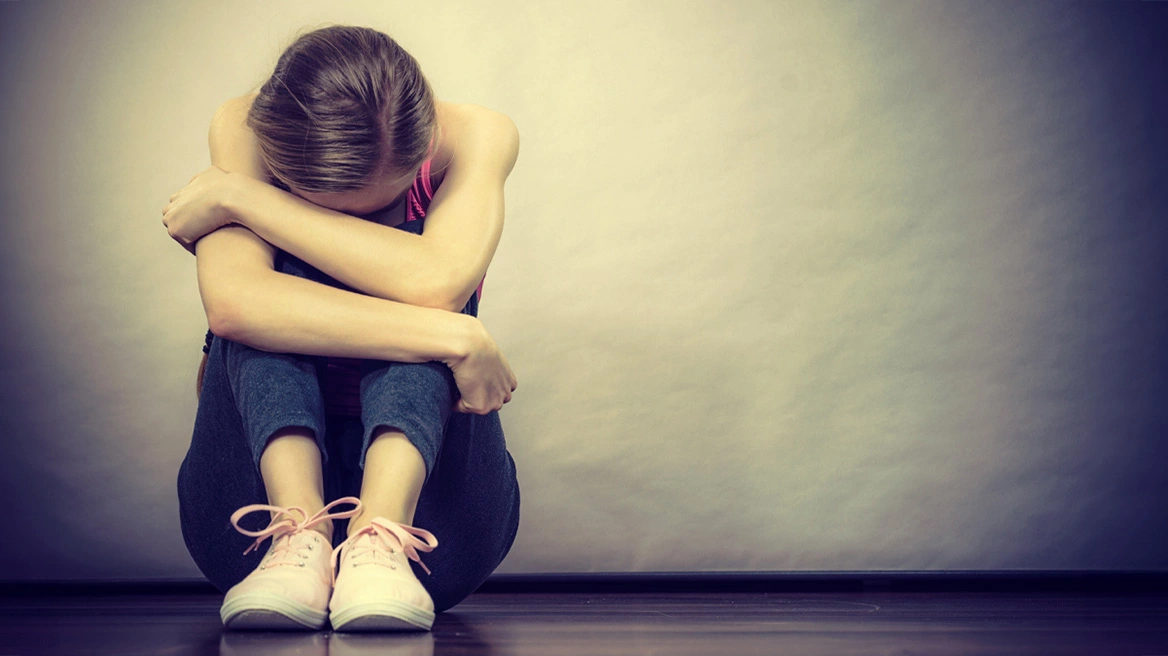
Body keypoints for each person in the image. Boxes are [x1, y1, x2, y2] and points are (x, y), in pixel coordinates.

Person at [164, 24, 521, 632]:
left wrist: (241, 199)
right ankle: (297, 532)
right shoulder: (244, 126)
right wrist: (458, 338)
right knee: (271, 297)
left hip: (432, 535)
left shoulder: (476, 134)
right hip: (250, 522)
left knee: (420, 285)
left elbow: (436, 282)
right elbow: (235, 304)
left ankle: (380, 534)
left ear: (425, 139)